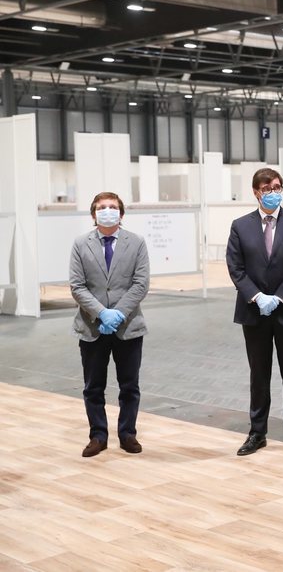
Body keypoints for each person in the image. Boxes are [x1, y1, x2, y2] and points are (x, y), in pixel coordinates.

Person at [227, 168, 283, 456]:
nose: (273, 192)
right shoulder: (240, 226)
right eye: (267, 188)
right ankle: (257, 433)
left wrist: (279, 297)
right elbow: (235, 267)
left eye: (277, 187)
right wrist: (256, 296)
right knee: (258, 375)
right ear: (255, 192)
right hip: (254, 313)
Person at [69, 192, 150, 457]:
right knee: (93, 387)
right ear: (93, 214)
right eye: (102, 207)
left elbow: (140, 284)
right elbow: (77, 286)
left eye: (112, 207)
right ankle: (98, 435)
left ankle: (127, 434)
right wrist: (102, 313)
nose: (107, 211)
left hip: (128, 326)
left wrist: (118, 314)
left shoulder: (136, 243)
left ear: (121, 214)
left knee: (129, 386)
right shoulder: (81, 244)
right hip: (92, 327)